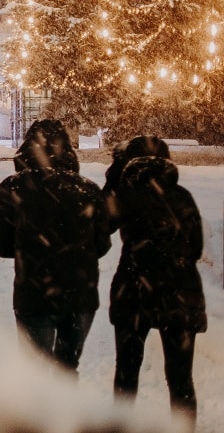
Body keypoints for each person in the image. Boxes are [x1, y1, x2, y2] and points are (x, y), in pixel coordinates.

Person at [0, 119, 111, 373]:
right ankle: (66, 412)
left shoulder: (14, 187)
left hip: (34, 292)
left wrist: (27, 248)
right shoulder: (87, 189)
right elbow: (102, 244)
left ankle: (39, 412)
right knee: (67, 368)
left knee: (36, 374)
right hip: (80, 294)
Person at [104, 136, 205, 423]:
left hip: (133, 290)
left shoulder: (123, 194)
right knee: (181, 379)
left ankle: (119, 428)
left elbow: (102, 226)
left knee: (126, 373)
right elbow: (195, 247)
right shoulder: (182, 196)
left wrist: (113, 179)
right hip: (180, 293)